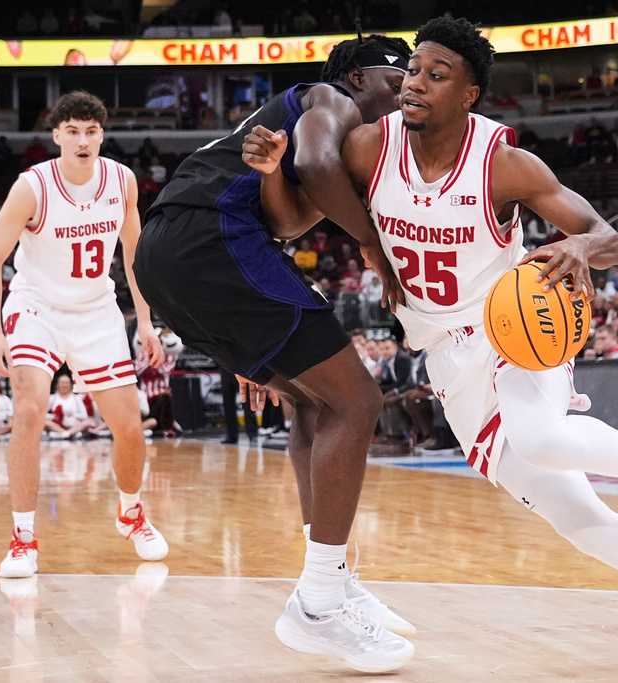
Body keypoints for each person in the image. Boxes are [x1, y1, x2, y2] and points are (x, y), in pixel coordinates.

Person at [251, 16, 618, 667]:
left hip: (514, 331)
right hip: (446, 359)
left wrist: (579, 245)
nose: (415, 83)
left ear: (469, 94)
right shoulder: (367, 148)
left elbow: (605, 237)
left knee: (541, 435)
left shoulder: (503, 164)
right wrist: (276, 176)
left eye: (436, 75)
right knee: (582, 523)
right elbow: (297, 213)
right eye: (414, 69)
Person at [134, 35, 416, 672]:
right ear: (355, 77)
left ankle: (333, 583)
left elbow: (289, 223)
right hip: (213, 240)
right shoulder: (330, 99)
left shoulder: (293, 126)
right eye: (393, 86)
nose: (401, 101)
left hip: (168, 251)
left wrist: (273, 179)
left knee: (314, 408)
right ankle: (317, 604)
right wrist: (373, 246)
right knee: (359, 399)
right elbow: (316, 170)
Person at [0, 91, 169, 579]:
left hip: (97, 310)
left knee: (128, 426)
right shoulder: (32, 186)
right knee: (28, 409)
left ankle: (131, 513)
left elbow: (134, 253)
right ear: (57, 135)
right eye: (73, 132)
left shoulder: (121, 180)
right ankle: (23, 539)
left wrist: (144, 319)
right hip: (36, 307)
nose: (83, 141)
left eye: (91, 132)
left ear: (101, 135)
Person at [44, 374, 93, 438]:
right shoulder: (52, 398)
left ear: (70, 384)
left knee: (87, 423)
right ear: (58, 384)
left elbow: (85, 416)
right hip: (58, 425)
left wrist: (73, 414)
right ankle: (65, 433)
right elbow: (43, 414)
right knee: (46, 422)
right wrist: (54, 416)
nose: (64, 385)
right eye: (62, 383)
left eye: (67, 383)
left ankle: (66, 434)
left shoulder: (77, 398)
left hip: (74, 425)